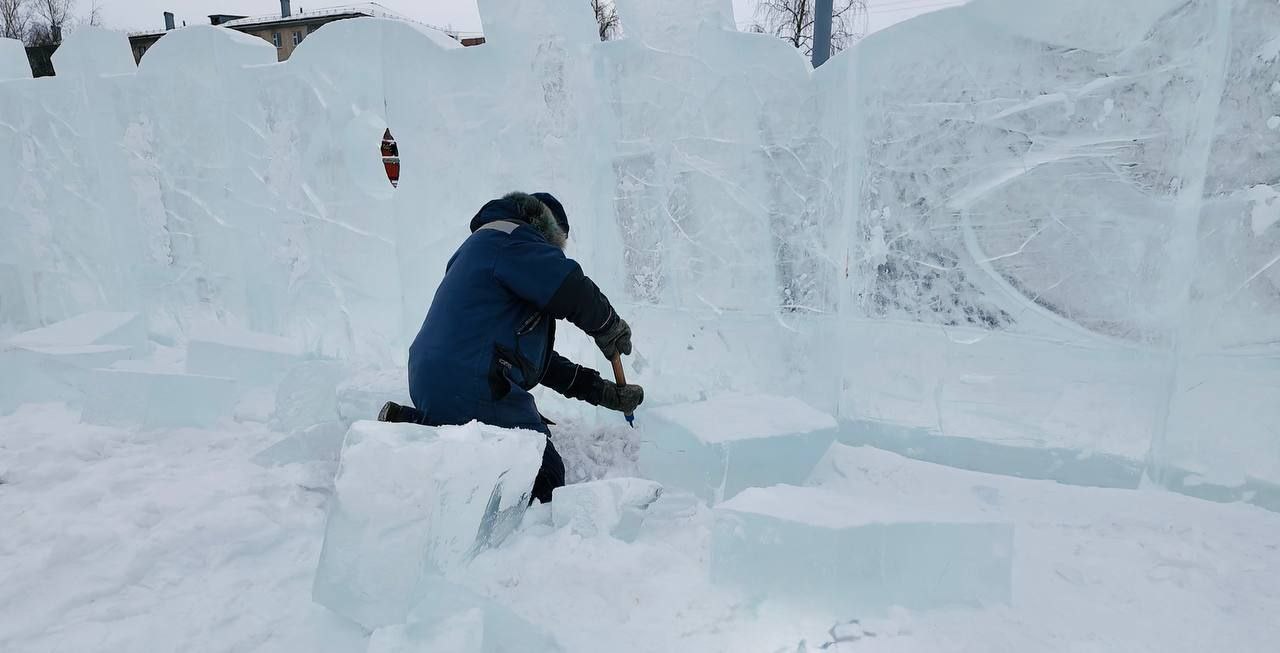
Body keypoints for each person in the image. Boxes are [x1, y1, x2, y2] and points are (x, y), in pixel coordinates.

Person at [378, 191, 644, 504]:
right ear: (548, 234)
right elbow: (571, 288)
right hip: (474, 380)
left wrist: (601, 391)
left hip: (435, 374)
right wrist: (608, 325)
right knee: (541, 471)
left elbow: (529, 359)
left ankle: (418, 427)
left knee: (472, 432)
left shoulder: (485, 247)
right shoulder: (514, 239)